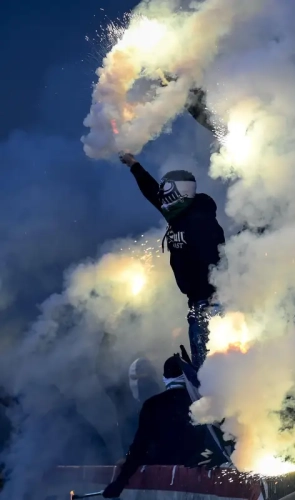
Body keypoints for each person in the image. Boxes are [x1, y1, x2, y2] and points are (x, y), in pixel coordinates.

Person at [119, 153, 225, 369]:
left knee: (209, 369)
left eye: (167, 193)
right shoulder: (178, 215)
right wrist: (134, 165)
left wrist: (212, 298)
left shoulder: (201, 222)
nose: (162, 198)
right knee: (204, 367)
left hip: (211, 304)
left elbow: (217, 262)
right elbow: (151, 192)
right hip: (197, 302)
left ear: (181, 194)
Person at [102, 356, 221, 498]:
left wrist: (119, 483)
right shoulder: (205, 404)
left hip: (164, 488)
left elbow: (139, 449)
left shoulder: (153, 406)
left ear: (165, 378)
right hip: (201, 485)